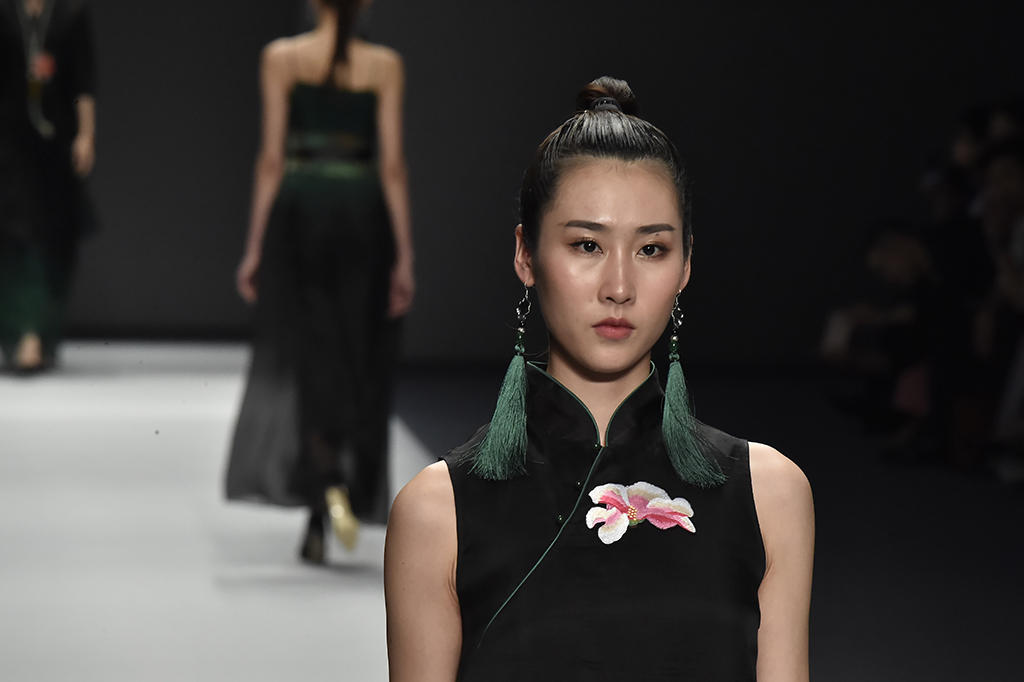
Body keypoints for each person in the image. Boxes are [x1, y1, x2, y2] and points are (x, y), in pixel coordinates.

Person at [384, 77, 813, 681]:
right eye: (587, 245)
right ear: (526, 255)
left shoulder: (768, 495)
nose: (619, 287)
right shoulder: (438, 512)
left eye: (651, 250)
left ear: (686, 264)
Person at [225, 0, 414, 564]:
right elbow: (392, 165)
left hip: (302, 210)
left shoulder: (281, 58)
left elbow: (270, 158)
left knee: (311, 355)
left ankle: (321, 495)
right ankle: (334, 484)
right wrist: (404, 256)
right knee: (355, 352)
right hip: (361, 212)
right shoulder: (385, 65)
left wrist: (254, 247)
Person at [0, 0, 95, 372]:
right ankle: (24, 335)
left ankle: (42, 332)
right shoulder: (4, 12)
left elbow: (84, 80)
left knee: (53, 234)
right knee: (15, 233)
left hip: (57, 139)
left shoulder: (70, 13)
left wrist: (86, 135)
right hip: (8, 140)